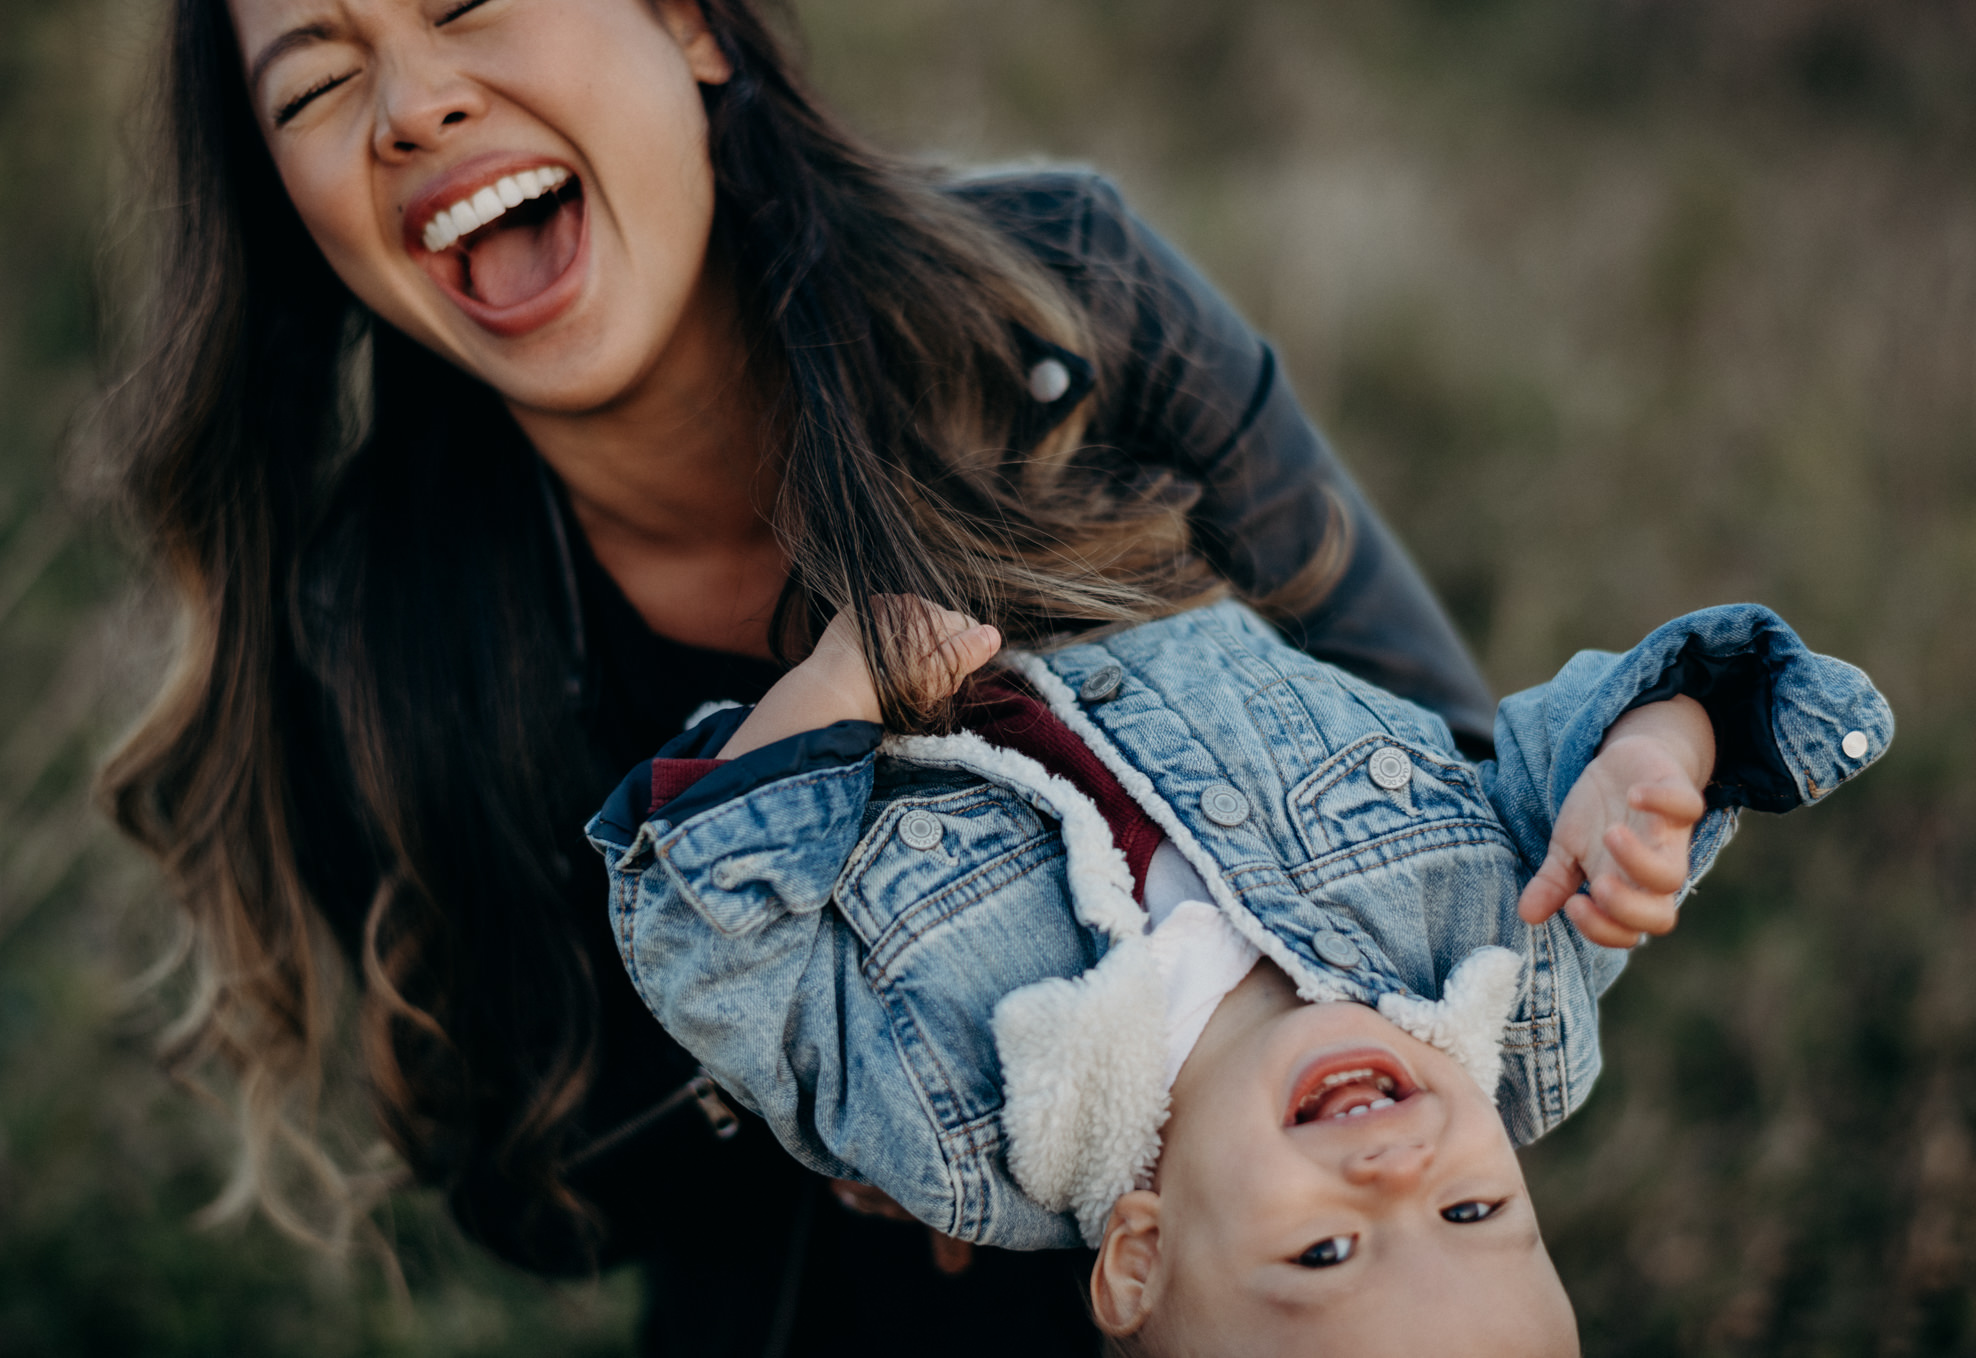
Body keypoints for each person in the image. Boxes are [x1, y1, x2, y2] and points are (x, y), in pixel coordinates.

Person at [95, 0, 1502, 1350]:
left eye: (466, 1)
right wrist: (825, 1089)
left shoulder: (1064, 295)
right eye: (314, 85)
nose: (413, 104)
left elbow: (1464, 786)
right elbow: (531, 1188)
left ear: (689, 19)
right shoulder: (374, 617)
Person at [589, 595, 1892, 1354]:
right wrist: (1655, 754)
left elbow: (714, 947)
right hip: (1113, 532)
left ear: (1141, 1258)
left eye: (1325, 1249)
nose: (1399, 1176)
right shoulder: (1513, 975)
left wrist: (833, 690)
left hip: (871, 618)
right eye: (1473, 1215)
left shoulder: (956, 1133)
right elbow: (1676, 706)